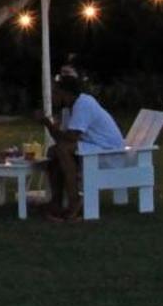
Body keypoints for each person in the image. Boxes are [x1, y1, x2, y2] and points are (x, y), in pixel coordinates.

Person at [39, 73, 123, 221]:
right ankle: (56, 202)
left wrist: (48, 124)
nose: (53, 97)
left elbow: (71, 137)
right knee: (55, 151)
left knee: (62, 150)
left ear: (65, 94)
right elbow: (62, 139)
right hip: (93, 147)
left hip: (109, 152)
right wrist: (49, 125)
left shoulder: (84, 104)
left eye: (56, 93)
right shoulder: (69, 109)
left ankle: (74, 200)